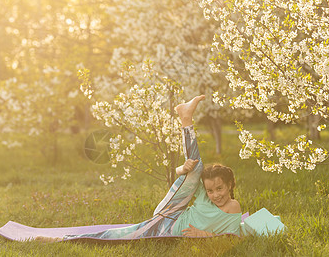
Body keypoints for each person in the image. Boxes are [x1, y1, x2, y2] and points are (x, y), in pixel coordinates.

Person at [36, 95, 241, 242]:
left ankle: (184, 116)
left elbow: (233, 237)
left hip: (167, 226)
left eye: (219, 189)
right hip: (170, 215)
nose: (214, 195)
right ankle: (185, 117)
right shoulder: (206, 194)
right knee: (196, 168)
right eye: (211, 190)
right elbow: (186, 180)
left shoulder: (234, 208)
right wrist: (181, 169)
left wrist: (204, 235)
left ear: (230, 184)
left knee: (125, 234)